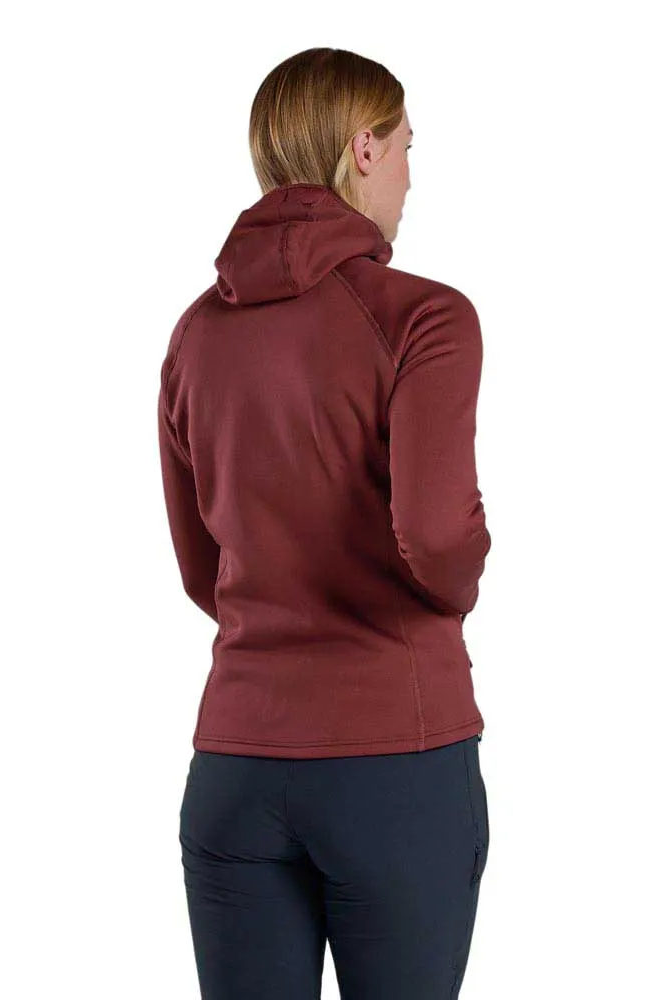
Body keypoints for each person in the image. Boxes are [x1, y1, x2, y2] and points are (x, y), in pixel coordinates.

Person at [158, 46, 492, 1000]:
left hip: (234, 768)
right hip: (394, 762)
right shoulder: (425, 318)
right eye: (407, 147)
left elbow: (202, 568)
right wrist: (467, 566)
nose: (411, 176)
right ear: (363, 149)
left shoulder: (194, 335)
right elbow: (437, 539)